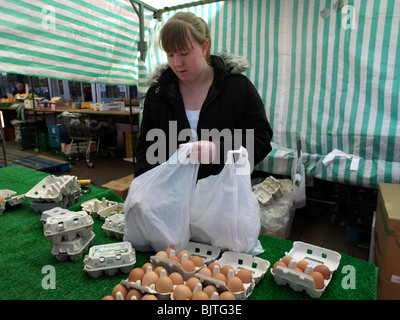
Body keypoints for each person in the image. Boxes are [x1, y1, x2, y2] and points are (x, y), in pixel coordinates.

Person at [134, 12, 273, 180]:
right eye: (170, 54)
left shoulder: (237, 87)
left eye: (184, 53)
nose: (177, 63)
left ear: (204, 48)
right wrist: (144, 184)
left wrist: (219, 151)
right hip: (172, 199)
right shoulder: (157, 94)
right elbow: (146, 148)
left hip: (224, 197)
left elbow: (261, 139)